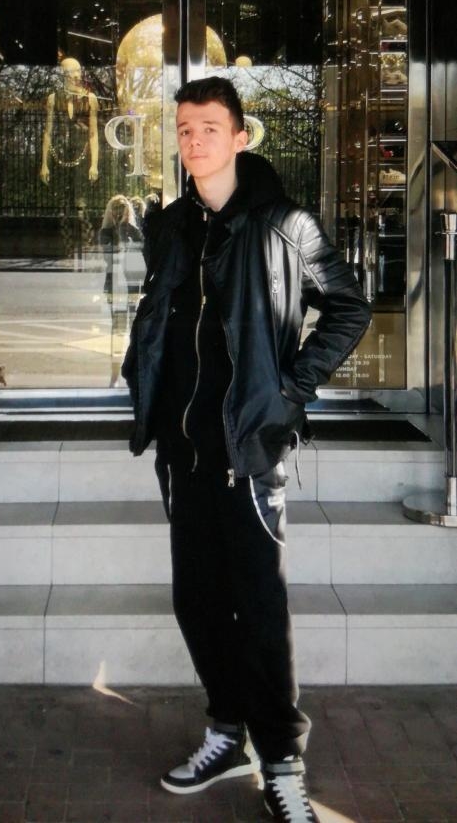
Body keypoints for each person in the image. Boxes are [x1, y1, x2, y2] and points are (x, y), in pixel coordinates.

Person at [122, 77, 371, 821]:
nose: (193, 140)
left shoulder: (285, 224)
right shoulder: (171, 226)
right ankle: (227, 731)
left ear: (239, 136)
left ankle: (282, 761)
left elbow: (348, 307)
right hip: (184, 452)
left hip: (248, 450)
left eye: (208, 127)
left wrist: (289, 390)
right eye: (183, 128)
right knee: (196, 602)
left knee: (259, 611)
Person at [99, 195, 144, 388]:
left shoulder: (133, 230)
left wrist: (131, 231)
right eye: (115, 209)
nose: (118, 214)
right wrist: (119, 233)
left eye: (122, 209)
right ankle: (115, 374)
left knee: (135, 329)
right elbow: (110, 256)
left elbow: (143, 250)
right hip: (116, 286)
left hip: (132, 284)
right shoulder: (106, 232)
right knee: (117, 331)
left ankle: (135, 372)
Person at [39, 57, 99, 185]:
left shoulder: (90, 99)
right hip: (57, 160)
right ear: (63, 75)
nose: (76, 75)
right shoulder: (53, 99)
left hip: (83, 161)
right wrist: (44, 164)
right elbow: (47, 133)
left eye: (78, 71)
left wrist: (94, 164)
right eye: (71, 72)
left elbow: (93, 134)